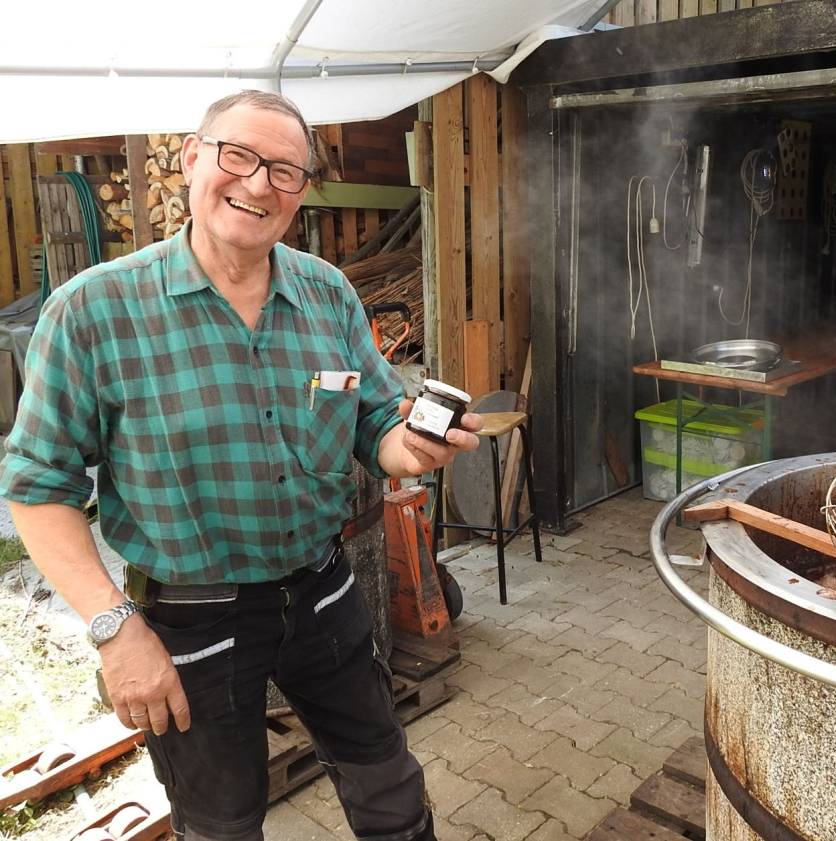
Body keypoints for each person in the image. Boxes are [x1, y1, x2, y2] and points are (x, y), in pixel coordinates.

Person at [0, 90, 481, 841]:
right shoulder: (93, 311)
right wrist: (116, 631)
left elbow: (375, 421)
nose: (258, 184)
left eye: (285, 171)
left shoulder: (326, 293)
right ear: (193, 158)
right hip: (189, 616)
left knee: (387, 780)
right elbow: (35, 488)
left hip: (322, 589)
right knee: (221, 823)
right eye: (239, 156)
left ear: (300, 191)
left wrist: (409, 446)